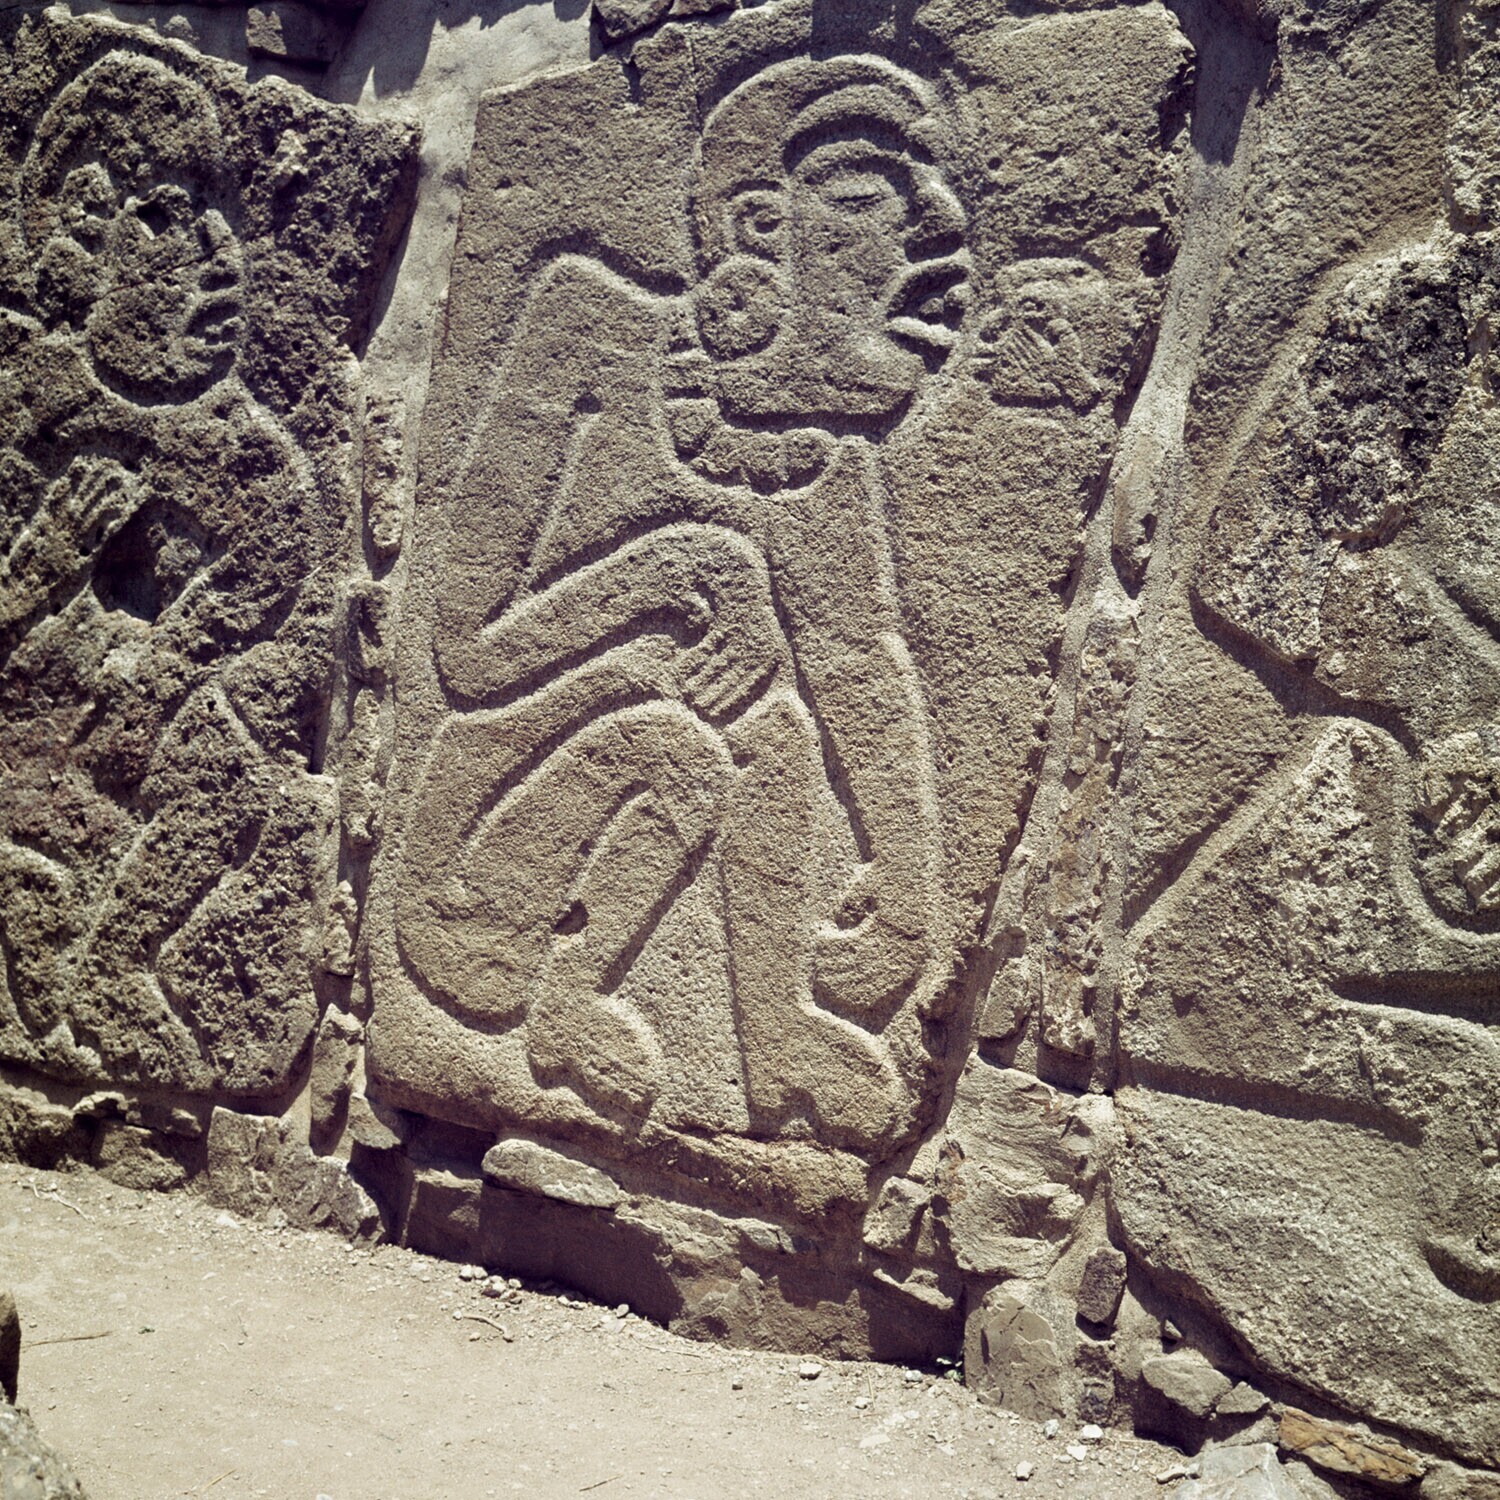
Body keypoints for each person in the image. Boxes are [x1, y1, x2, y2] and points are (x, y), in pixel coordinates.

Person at [396, 56, 970, 1150]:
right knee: (688, 739)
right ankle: (567, 999)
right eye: (865, 199)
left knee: (776, 726)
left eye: (927, 203)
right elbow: (464, 657)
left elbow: (856, 661)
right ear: (762, 225)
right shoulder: (586, 327)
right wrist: (669, 574)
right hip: (478, 874)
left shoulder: (820, 457)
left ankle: (771, 1038)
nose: (932, 232)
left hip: (635, 787)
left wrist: (901, 877)